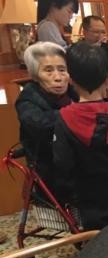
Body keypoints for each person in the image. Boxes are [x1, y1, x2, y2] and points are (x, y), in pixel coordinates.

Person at [52, 42, 108, 230]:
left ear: (71, 80)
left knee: (99, 241)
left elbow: (63, 167)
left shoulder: (65, 119)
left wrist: (72, 197)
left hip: (90, 203)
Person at [16, 42, 79, 190]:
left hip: (80, 166)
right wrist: (78, 113)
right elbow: (40, 125)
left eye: (62, 69)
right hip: (51, 174)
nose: (58, 77)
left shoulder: (74, 92)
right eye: (48, 70)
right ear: (35, 75)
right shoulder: (27, 100)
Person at [81, 15, 108, 80]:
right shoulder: (76, 51)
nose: (101, 36)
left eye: (103, 32)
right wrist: (93, 51)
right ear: (84, 33)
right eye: (96, 32)